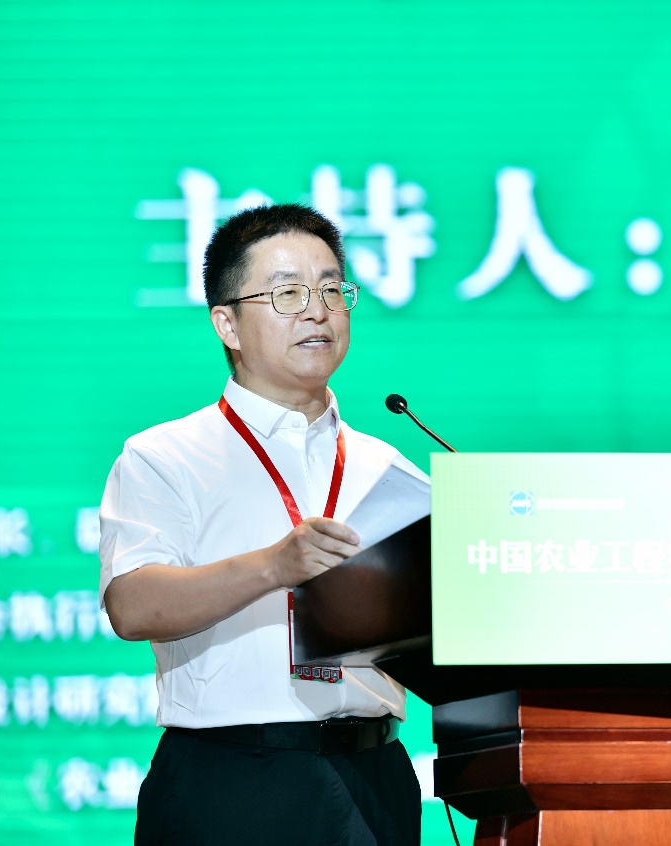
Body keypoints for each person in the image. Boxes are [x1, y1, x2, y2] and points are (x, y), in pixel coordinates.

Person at [99, 204, 422, 845]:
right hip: (234, 781)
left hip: (377, 777)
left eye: (331, 290)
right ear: (228, 324)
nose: (317, 310)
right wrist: (274, 567)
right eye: (287, 293)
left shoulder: (388, 467)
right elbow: (131, 606)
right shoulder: (165, 456)